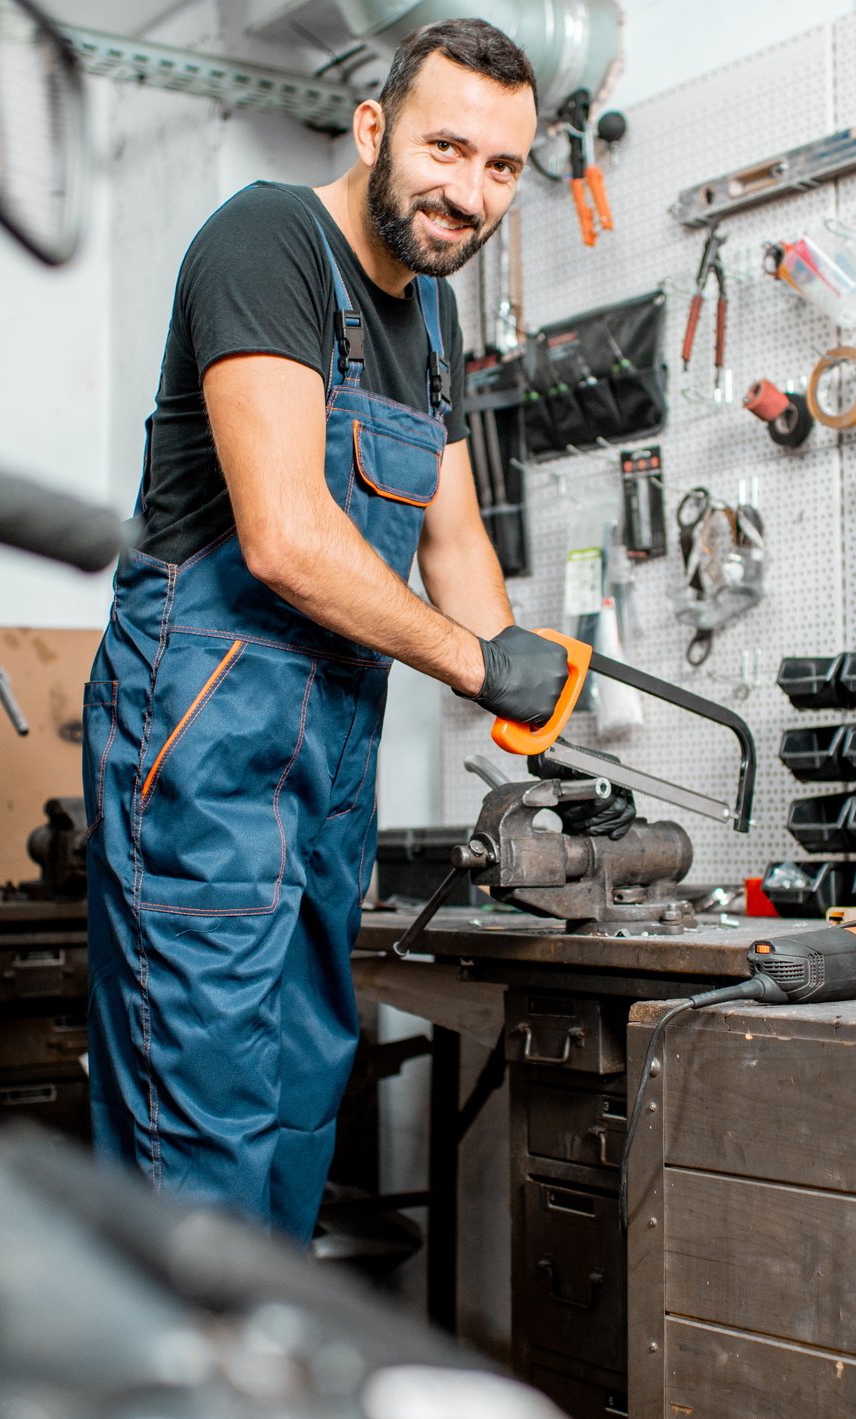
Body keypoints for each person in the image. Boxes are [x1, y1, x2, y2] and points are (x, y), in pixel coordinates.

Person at [83, 19, 574, 1242]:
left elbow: (453, 540)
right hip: (199, 754)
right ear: (373, 130)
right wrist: (474, 664)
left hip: (320, 777)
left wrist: (539, 718)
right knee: (196, 1125)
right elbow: (287, 537)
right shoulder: (265, 242)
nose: (467, 193)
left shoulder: (428, 319)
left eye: (500, 167)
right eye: (445, 148)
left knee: (301, 1099)